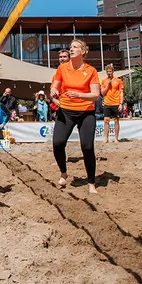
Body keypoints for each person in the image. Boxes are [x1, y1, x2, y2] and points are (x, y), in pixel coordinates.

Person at [50, 39, 101, 194]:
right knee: (57, 143)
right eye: (70, 47)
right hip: (66, 111)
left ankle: (91, 182)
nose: (71, 49)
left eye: (75, 47)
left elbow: (96, 95)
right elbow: (55, 86)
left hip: (86, 112)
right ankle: (64, 172)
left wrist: (79, 94)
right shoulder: (62, 68)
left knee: (87, 147)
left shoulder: (91, 70)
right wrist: (53, 91)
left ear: (83, 51)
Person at [100, 64, 123, 144]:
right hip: (107, 103)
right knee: (106, 121)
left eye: (110, 71)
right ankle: (106, 138)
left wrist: (121, 103)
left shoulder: (118, 81)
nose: (109, 73)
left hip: (116, 103)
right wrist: (108, 85)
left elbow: (121, 92)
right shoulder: (103, 81)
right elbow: (102, 93)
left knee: (116, 121)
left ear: (113, 71)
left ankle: (116, 138)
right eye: (107, 72)